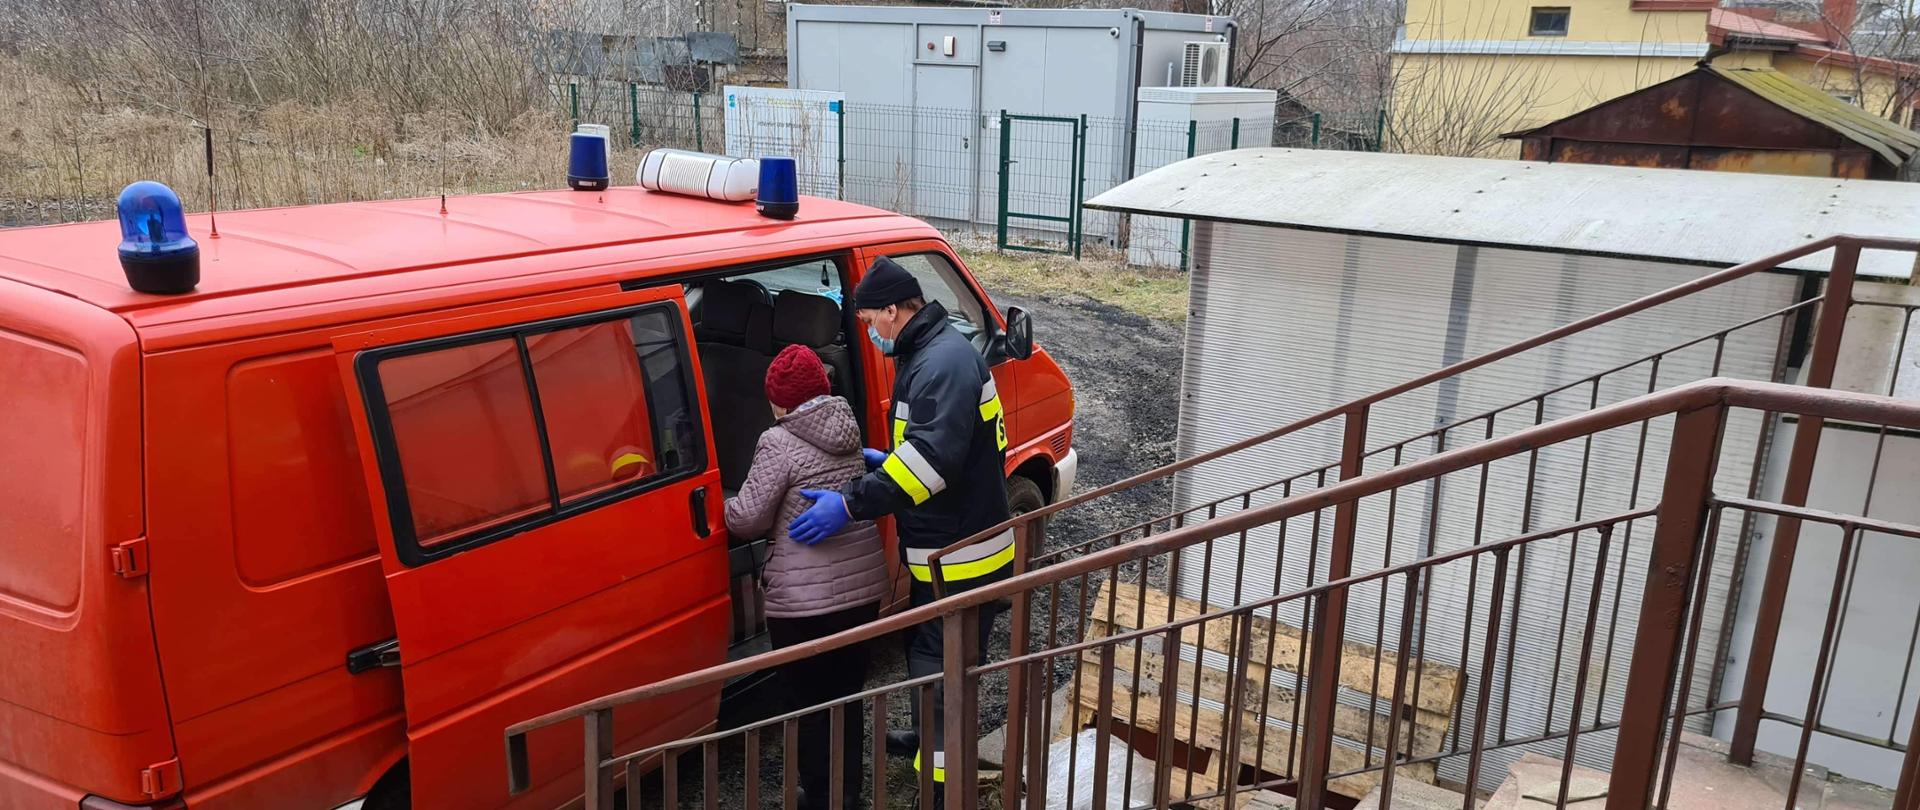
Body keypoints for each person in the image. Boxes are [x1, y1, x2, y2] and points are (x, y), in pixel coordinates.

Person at [789, 256, 1015, 793]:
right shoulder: (935, 352)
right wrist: (886, 459)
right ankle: (927, 736)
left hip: (960, 560)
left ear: (894, 310)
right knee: (930, 662)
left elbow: (931, 465)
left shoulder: (941, 364)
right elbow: (931, 450)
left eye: (870, 322)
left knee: (942, 674)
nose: (869, 334)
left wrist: (849, 502)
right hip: (948, 549)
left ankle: (942, 786)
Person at [726, 343, 887, 810]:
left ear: (779, 400)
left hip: (803, 604)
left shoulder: (776, 442)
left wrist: (722, 507)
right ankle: (849, 794)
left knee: (809, 706)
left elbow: (749, 519)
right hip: (862, 594)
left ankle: (818, 796)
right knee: (845, 696)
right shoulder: (848, 425)